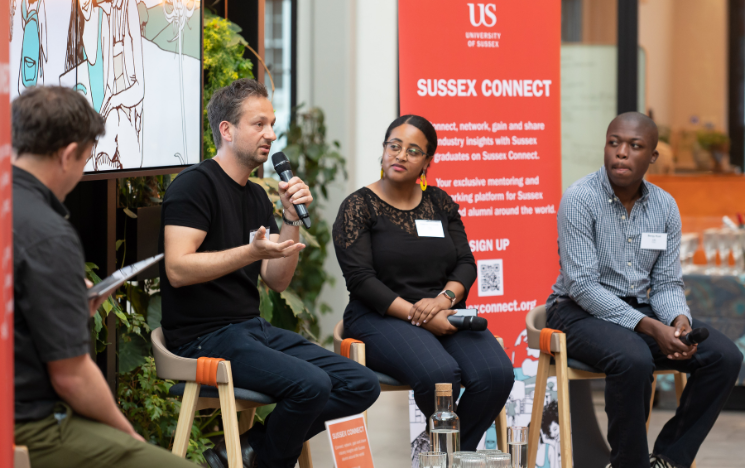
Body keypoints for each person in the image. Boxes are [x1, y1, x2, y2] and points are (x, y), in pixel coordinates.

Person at [160, 78, 380, 468]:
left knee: (361, 383)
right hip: (201, 337)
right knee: (311, 385)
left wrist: (290, 218)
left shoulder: (257, 195)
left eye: (272, 124)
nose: (271, 134)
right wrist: (247, 252)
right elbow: (177, 269)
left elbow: (277, 280)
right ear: (226, 130)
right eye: (258, 124)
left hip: (250, 328)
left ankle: (248, 450)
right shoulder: (193, 185)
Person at [11, 86, 195, 468]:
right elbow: (71, 377)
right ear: (67, 155)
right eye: (85, 160)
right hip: (26, 423)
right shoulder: (47, 232)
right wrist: (126, 434)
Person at [547, 112, 741, 468]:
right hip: (576, 310)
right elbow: (583, 285)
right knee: (633, 358)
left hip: (640, 311)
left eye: (634, 146)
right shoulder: (579, 199)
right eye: (614, 143)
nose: (621, 153)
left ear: (652, 156)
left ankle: (668, 458)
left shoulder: (665, 205)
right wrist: (652, 327)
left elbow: (666, 282)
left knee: (724, 357)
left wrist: (678, 320)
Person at [332, 115, 515, 451]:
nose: (400, 156)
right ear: (384, 150)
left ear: (427, 162)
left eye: (413, 151)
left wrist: (444, 301)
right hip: (379, 315)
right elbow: (361, 281)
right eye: (394, 146)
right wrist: (421, 317)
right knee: (440, 374)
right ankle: (450, 456)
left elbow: (465, 264)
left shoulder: (439, 203)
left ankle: (447, 454)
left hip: (443, 311)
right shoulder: (358, 206)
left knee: (497, 373)